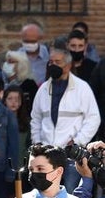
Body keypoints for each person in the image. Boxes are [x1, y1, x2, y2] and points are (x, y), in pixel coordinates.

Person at [29, 48, 99, 189]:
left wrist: (78, 141)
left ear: (67, 65)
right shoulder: (43, 89)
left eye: (57, 62)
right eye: (50, 62)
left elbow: (93, 118)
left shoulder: (82, 88)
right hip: (46, 154)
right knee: (44, 193)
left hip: (71, 157)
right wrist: (38, 143)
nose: (52, 65)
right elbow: (36, 118)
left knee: (70, 195)